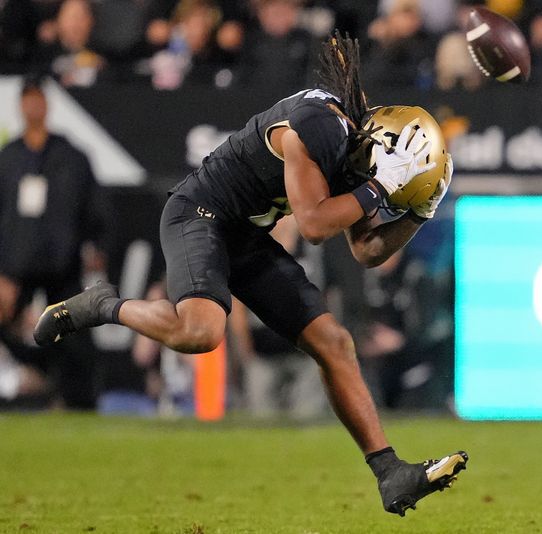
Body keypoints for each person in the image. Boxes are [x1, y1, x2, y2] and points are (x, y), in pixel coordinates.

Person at [33, 33, 467, 516]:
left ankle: (389, 472)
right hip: (199, 213)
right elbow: (314, 225)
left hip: (244, 233)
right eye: (396, 179)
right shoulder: (319, 127)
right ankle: (104, 304)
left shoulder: (353, 148)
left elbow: (365, 251)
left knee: (334, 342)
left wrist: (415, 214)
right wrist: (379, 190)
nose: (386, 186)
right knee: (199, 333)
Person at [0, 75, 108, 408]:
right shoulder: (9, 158)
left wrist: (98, 245)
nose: (33, 105)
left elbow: (94, 207)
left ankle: (80, 401)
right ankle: (41, 376)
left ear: (47, 104)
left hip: (62, 262)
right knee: (6, 320)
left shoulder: (71, 156)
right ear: (20, 105)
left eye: (38, 98)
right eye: (27, 99)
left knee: (75, 334)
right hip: (16, 265)